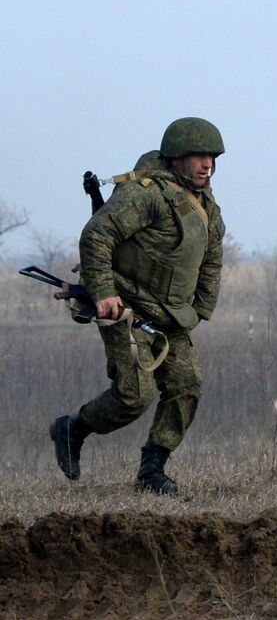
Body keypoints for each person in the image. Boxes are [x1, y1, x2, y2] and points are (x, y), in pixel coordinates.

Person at [49, 117, 227, 494]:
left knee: (186, 385)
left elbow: (212, 258)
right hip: (125, 309)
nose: (206, 164)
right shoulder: (145, 194)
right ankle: (71, 428)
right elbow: (97, 235)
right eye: (198, 156)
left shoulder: (206, 204)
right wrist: (103, 293)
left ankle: (151, 472)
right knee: (134, 396)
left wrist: (200, 311)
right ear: (176, 158)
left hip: (172, 316)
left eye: (211, 156)